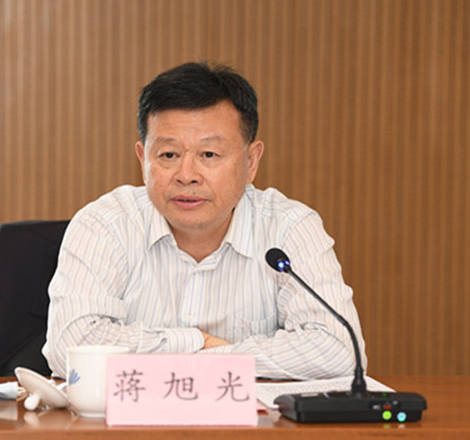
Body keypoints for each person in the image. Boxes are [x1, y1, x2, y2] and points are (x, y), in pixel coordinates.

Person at [42, 62, 367, 380]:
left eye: (209, 155)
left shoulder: (289, 228)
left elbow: (339, 349)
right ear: (143, 159)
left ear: (251, 161)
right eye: (169, 155)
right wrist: (197, 341)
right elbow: (67, 348)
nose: (186, 175)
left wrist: (214, 359)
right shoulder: (105, 224)